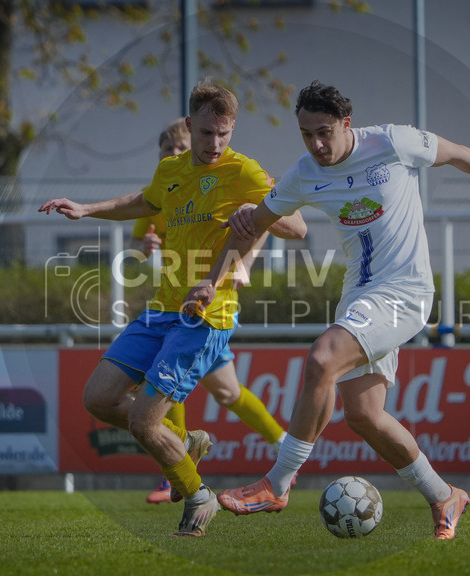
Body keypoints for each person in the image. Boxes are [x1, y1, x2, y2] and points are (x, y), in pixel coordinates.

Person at [183, 80, 470, 539]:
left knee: (322, 357)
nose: (317, 144)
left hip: (405, 291)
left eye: (325, 131)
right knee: (364, 414)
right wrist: (212, 279)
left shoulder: (391, 141)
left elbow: (456, 151)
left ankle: (278, 484)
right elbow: (254, 226)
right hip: (360, 296)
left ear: (347, 124)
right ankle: (445, 495)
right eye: (307, 134)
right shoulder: (305, 173)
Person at [39, 80, 307, 537]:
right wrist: (87, 209)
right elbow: (146, 202)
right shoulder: (172, 171)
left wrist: (262, 214)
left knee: (147, 420)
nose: (215, 144)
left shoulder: (244, 172)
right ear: (190, 125)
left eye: (223, 134)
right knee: (98, 399)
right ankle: (182, 444)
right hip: (163, 309)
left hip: (206, 316)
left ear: (232, 128)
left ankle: (198, 497)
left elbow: (297, 227)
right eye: (206, 134)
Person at [134, 117, 292, 506]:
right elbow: (140, 238)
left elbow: (266, 219)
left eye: (179, 148)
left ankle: (177, 471)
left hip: (210, 304)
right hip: (173, 301)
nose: (173, 155)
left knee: (168, 378)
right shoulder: (165, 187)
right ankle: (285, 446)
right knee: (227, 391)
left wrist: (246, 262)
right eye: (166, 150)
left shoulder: (225, 177)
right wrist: (145, 246)